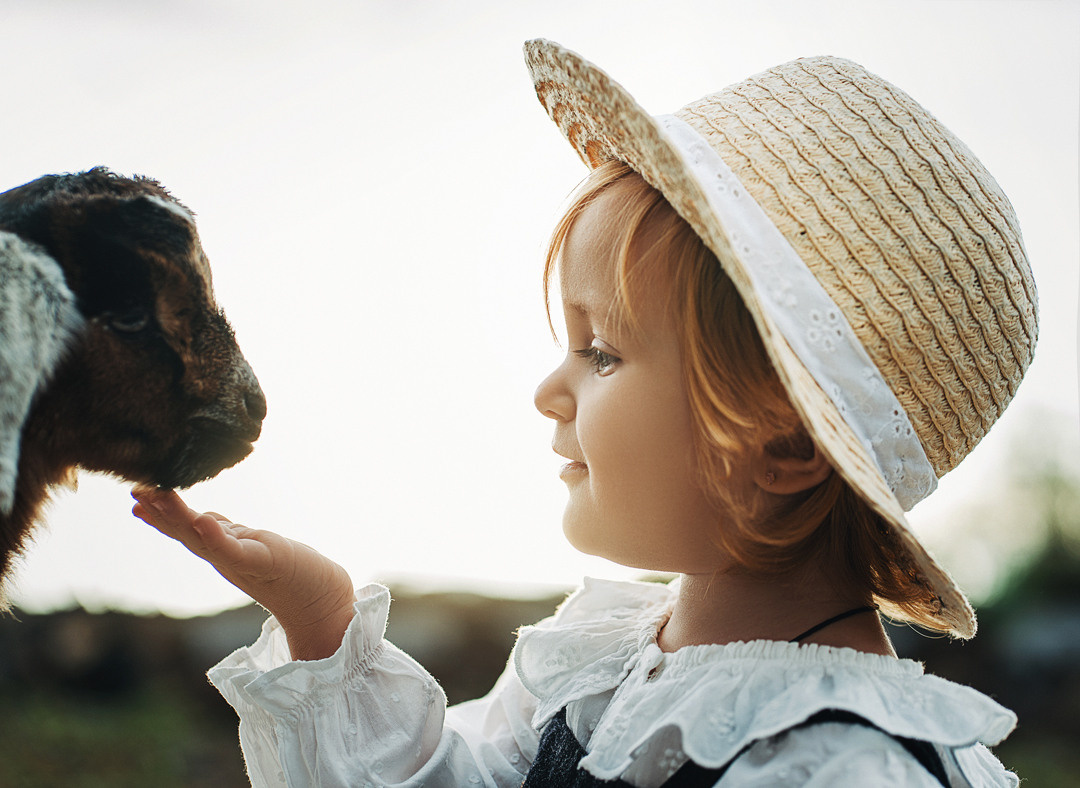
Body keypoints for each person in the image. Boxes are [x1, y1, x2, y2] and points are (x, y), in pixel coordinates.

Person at [133, 39, 1036, 787]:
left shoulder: (843, 766)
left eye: (602, 352)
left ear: (786, 440)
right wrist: (323, 618)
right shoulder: (598, 668)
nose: (547, 391)